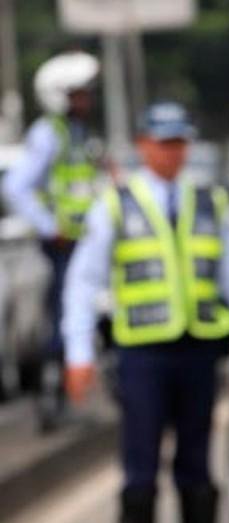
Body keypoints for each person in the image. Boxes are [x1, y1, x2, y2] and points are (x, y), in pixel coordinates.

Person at [61, 102, 229, 523]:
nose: (173, 151)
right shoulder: (116, 204)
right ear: (144, 145)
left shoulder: (209, 202)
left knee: (198, 469)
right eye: (163, 142)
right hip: (142, 353)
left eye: (180, 142)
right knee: (141, 472)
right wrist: (78, 352)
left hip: (197, 350)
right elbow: (83, 283)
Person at [2, 51, 101, 431]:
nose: (87, 101)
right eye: (79, 94)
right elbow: (15, 186)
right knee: (62, 320)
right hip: (60, 247)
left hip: (81, 244)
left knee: (76, 319)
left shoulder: (77, 135)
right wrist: (49, 226)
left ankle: (63, 401)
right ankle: (51, 402)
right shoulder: (48, 133)